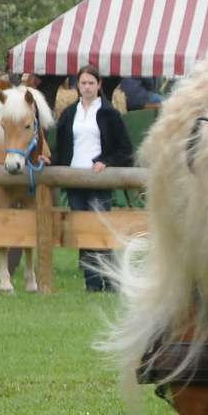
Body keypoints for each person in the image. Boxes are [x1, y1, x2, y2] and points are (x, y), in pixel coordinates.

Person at [49, 65, 133, 292]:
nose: (87, 87)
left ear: (99, 85)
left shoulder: (110, 114)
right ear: (77, 85)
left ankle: (113, 283)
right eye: (83, 83)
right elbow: (62, 148)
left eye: (91, 83)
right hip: (74, 179)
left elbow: (125, 150)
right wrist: (50, 160)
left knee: (101, 232)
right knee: (84, 234)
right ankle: (93, 284)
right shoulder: (68, 114)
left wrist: (106, 161)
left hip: (98, 181)